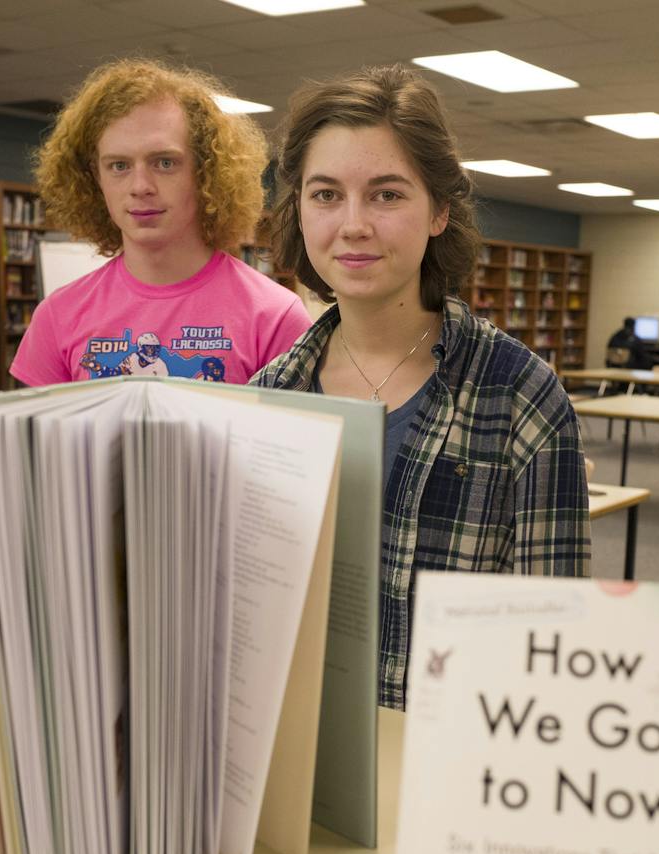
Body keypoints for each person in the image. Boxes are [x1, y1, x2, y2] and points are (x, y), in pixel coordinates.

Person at [253, 65, 591, 709]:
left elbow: (554, 644)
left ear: (439, 210)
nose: (352, 224)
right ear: (297, 208)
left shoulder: (520, 397)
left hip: (453, 768)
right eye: (325, 194)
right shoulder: (271, 393)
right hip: (297, 758)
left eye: (386, 194)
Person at [9, 58, 311, 387]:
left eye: (164, 162)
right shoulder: (58, 316)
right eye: (119, 166)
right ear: (96, 177)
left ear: (205, 172)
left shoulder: (274, 317)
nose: (141, 186)